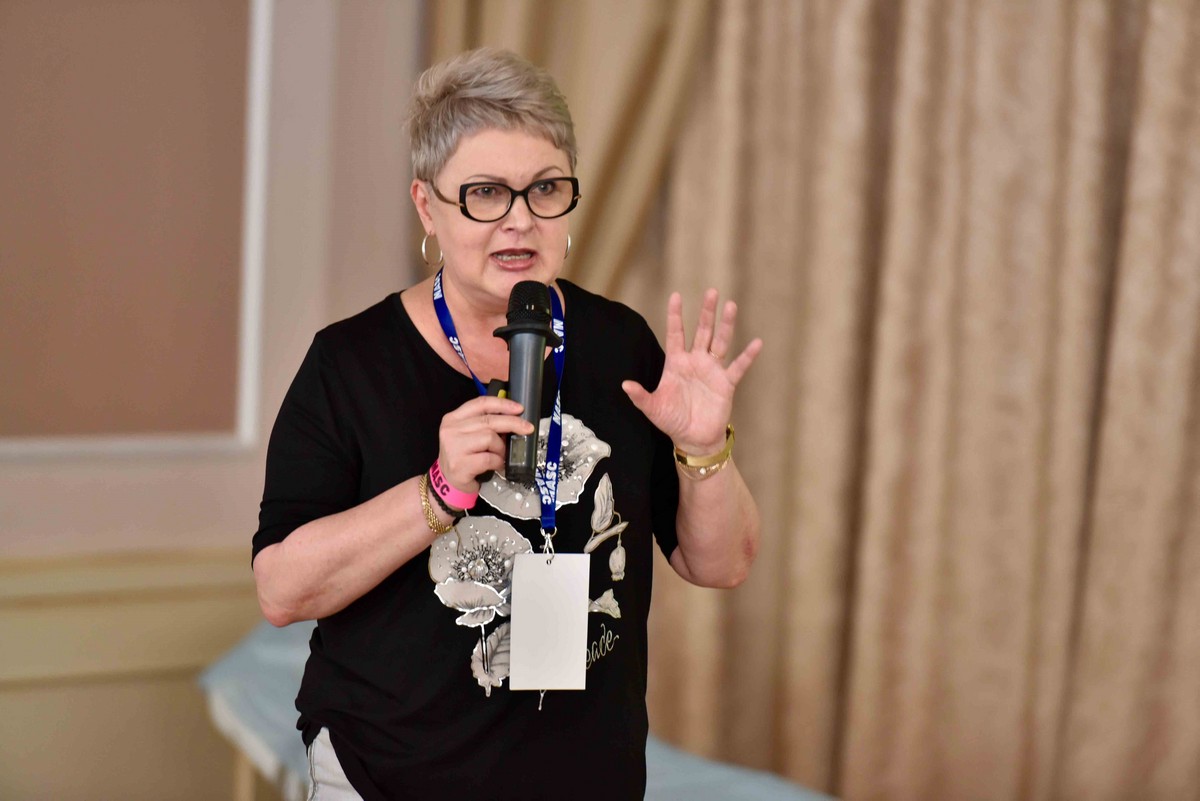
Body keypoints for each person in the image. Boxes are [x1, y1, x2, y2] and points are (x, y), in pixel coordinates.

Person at [251, 47, 762, 801]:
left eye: (545, 188)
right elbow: (281, 591)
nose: (520, 220)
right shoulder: (350, 363)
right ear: (427, 206)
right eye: (485, 193)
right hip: (387, 779)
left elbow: (721, 563)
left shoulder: (621, 345)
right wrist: (437, 491)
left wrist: (702, 446)